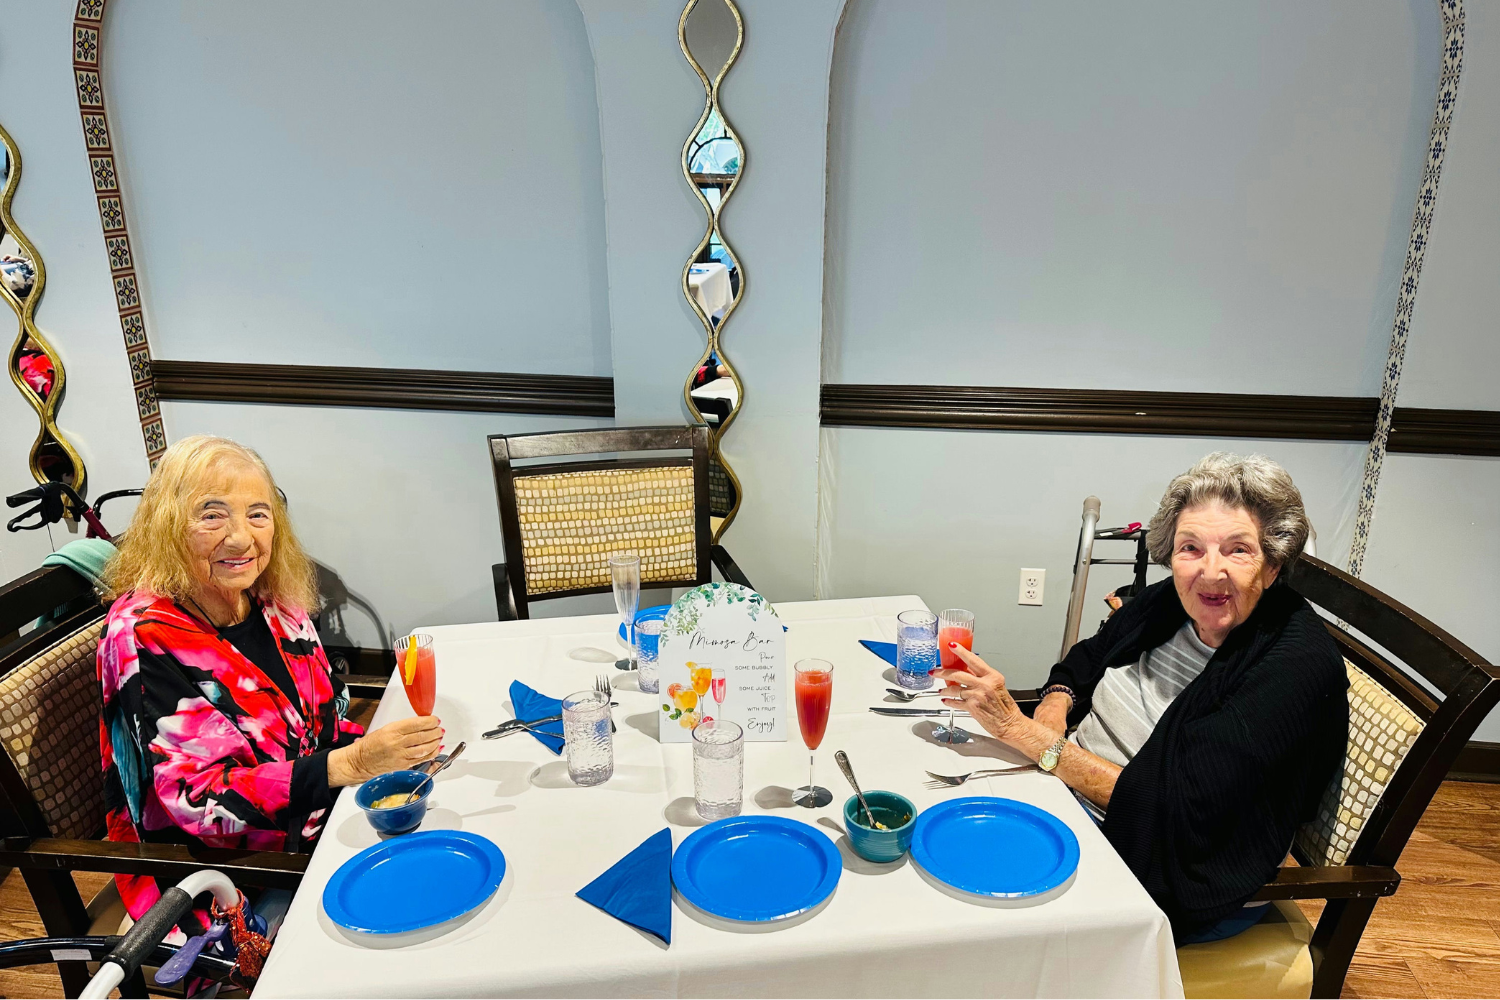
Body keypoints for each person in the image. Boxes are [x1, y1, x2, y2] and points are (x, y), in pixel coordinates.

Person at [934, 453, 1347, 942]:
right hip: (1068, 795)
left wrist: (1026, 736)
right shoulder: (1171, 603)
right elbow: (1086, 659)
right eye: (1190, 547)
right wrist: (1053, 706)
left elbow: (1179, 812)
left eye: (1237, 550)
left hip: (1162, 865)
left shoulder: (1291, 667)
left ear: (1273, 564)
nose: (1209, 572)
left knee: (963, 918)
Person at [98, 435, 443, 923]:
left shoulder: (273, 601)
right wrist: (350, 764)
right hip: (232, 885)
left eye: (258, 514)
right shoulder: (143, 634)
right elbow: (199, 802)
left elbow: (328, 719)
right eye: (212, 514)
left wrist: (388, 760)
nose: (241, 538)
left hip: (323, 829)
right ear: (167, 525)